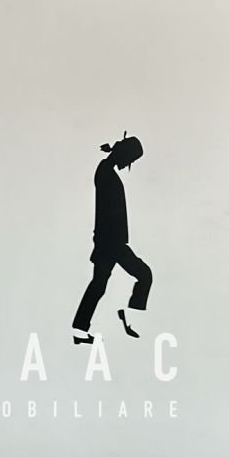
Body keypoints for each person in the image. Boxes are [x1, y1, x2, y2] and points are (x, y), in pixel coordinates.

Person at [72, 133, 152, 343]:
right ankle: (132, 319)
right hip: (112, 243)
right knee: (144, 275)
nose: (129, 164)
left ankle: (79, 330)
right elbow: (109, 212)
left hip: (108, 241)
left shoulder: (106, 171)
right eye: (130, 159)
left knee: (98, 285)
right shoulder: (106, 172)